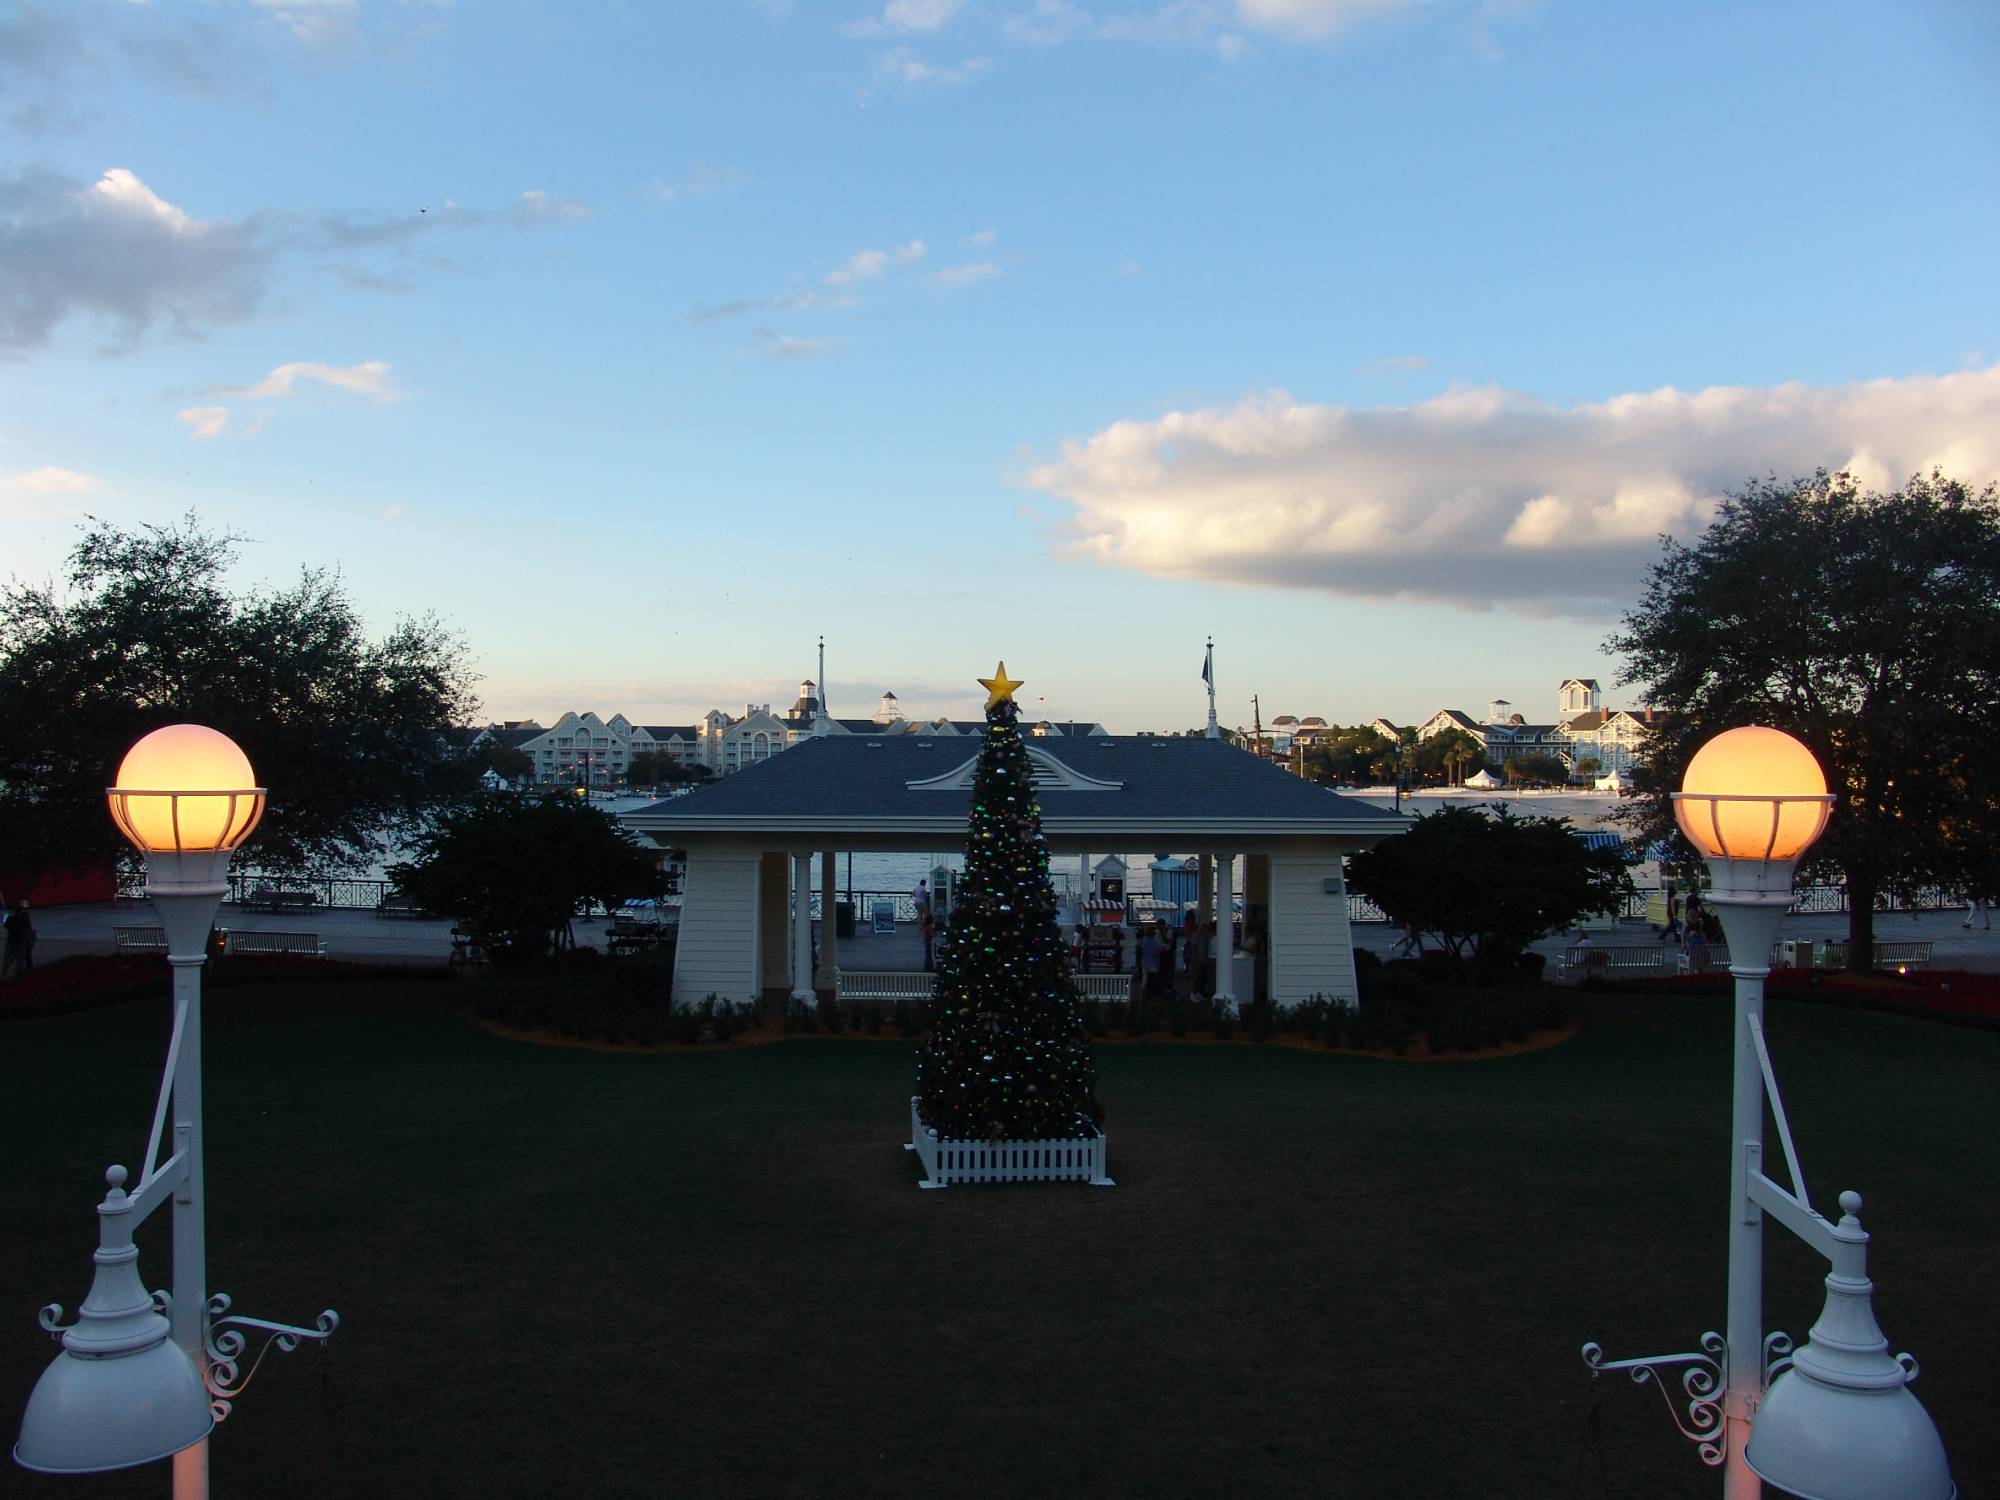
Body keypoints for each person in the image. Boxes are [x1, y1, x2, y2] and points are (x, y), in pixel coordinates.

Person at [4, 899, 34, 979]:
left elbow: (8, 928)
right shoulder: (24, 918)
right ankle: (21, 973)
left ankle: (6, 975)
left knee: (11, 959)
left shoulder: (13, 919)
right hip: (21, 941)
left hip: (15, 942)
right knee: (22, 958)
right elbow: (27, 930)